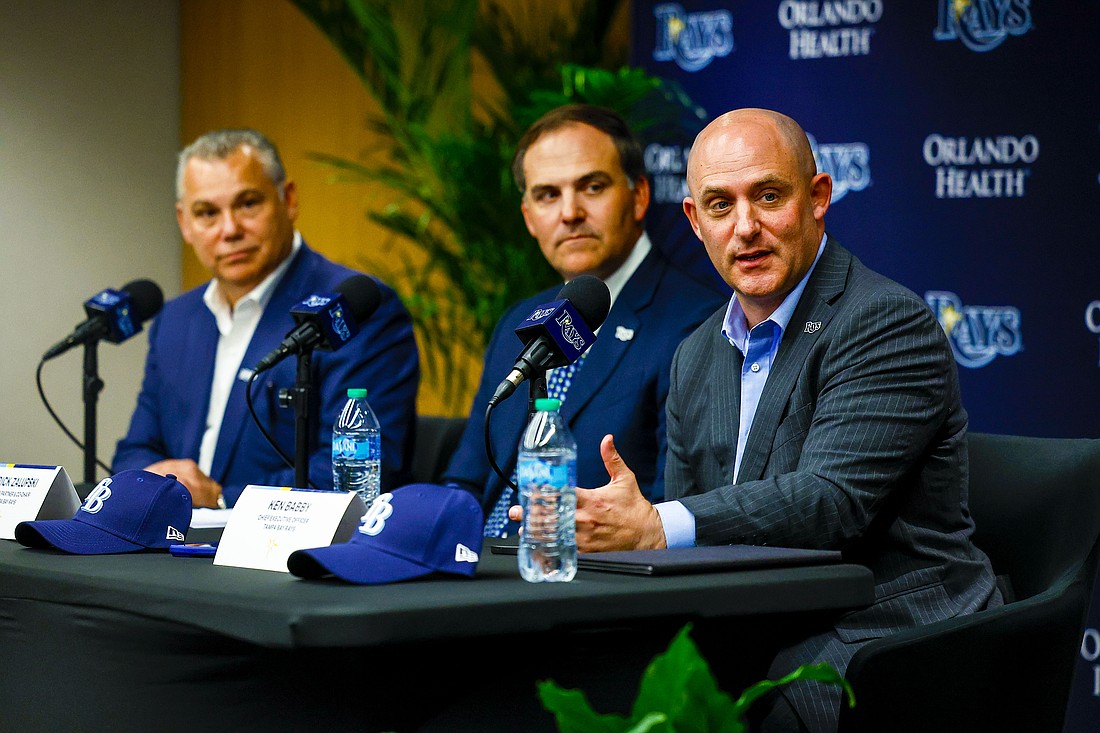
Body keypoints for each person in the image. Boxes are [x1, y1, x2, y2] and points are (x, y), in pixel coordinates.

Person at [510, 108, 1002, 731]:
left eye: (768, 196)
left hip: (885, 629)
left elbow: (833, 502)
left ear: (818, 197)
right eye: (719, 205)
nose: (746, 227)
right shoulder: (696, 353)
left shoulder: (883, 321)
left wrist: (658, 524)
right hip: (753, 620)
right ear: (694, 220)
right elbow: (693, 532)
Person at [445, 104, 727, 535]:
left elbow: (676, 506)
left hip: (589, 580)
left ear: (639, 196)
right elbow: (465, 481)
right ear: (528, 217)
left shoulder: (696, 321)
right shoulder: (519, 321)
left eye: (592, 187)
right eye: (547, 195)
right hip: (479, 569)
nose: (570, 212)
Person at [113, 129, 419, 508]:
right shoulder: (176, 320)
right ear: (184, 223)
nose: (230, 230)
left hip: (287, 554)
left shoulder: (354, 308)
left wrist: (222, 499)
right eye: (207, 213)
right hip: (170, 544)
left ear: (288, 200)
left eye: (247, 204)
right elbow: (135, 451)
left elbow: (354, 471)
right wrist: (156, 483)